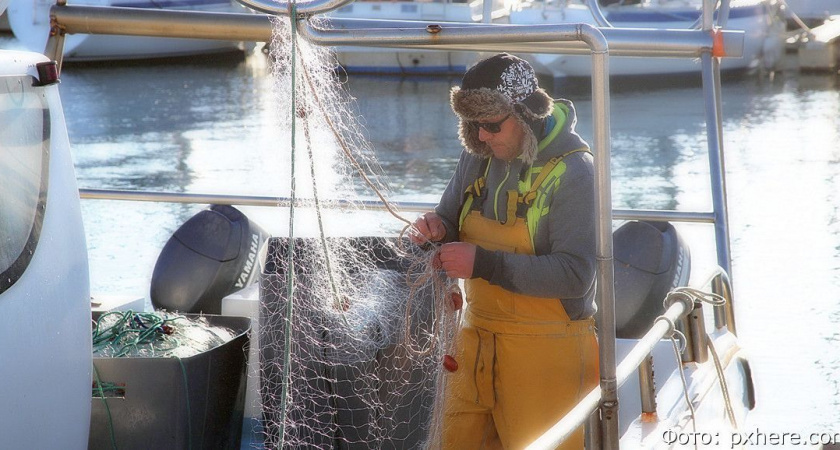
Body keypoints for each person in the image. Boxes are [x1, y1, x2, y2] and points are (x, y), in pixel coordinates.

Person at [410, 53, 599, 449]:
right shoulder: (477, 154)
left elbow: (576, 276)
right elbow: (449, 218)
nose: (481, 137)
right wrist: (436, 229)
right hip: (475, 344)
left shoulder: (575, 172)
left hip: (546, 358)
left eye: (492, 125)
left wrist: (484, 263)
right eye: (473, 125)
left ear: (527, 115)